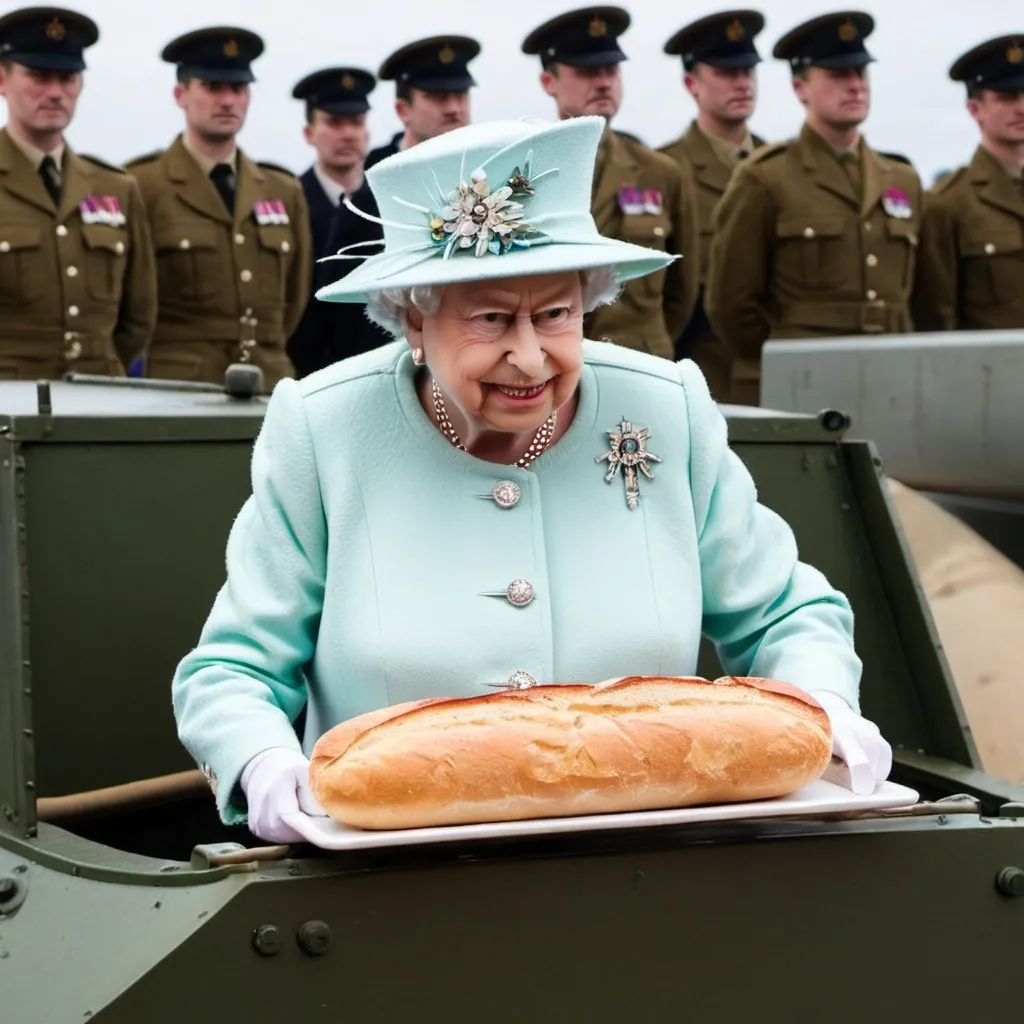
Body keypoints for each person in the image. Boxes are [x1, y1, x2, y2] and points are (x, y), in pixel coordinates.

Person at [170, 114, 892, 844]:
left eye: (555, 314)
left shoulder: (664, 409)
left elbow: (786, 613)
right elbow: (231, 670)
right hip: (390, 895)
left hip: (651, 874)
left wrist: (823, 703)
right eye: (490, 319)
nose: (530, 357)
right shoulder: (325, 429)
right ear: (412, 320)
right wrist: (262, 760)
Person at [705, 11, 924, 406]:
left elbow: (925, 299)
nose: (855, 86)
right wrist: (787, 357)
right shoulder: (766, 177)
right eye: (838, 76)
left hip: (891, 382)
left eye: (860, 74)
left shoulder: (901, 179)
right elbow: (730, 303)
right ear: (800, 87)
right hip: (803, 384)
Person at [126, 26, 311, 390]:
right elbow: (129, 305)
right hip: (179, 386)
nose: (227, 101)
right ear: (180, 94)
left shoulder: (282, 190)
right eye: (212, 88)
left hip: (268, 382)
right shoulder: (142, 185)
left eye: (238, 89)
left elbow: (293, 299)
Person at [521, 6, 699, 360]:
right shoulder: (524, 174)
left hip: (640, 363)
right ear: (548, 82)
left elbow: (682, 291)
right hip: (552, 365)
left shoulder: (661, 173)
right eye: (587, 71)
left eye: (611, 70)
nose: (603, 82)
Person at [0, 6, 155, 380]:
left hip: (97, 396)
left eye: (67, 78)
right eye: (38, 76)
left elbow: (138, 314)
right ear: (2, 79)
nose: (55, 92)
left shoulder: (116, 187)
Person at [320, 36, 481, 362]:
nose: (453, 108)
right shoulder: (370, 193)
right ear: (402, 110)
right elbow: (331, 310)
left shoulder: (486, 180)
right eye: (436, 97)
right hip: (386, 370)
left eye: (460, 95)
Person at [658, 10, 768, 400]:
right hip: (700, 375)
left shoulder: (780, 168)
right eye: (725, 72)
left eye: (747, 71)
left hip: (776, 369)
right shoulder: (666, 170)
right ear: (692, 83)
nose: (741, 83)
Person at [911, 35, 1024, 332]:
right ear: (975, 110)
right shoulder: (948, 203)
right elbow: (937, 316)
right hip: (991, 372)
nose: (1021, 107)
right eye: (1007, 97)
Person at [288, 65, 377, 377]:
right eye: (334, 123)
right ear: (309, 133)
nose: (348, 133)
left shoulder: (385, 201)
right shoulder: (292, 201)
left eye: (356, 122)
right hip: (312, 369)